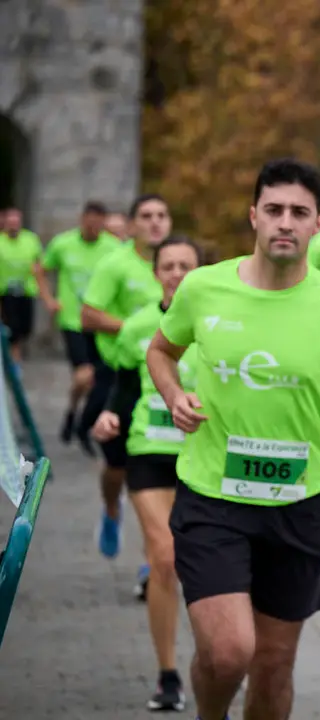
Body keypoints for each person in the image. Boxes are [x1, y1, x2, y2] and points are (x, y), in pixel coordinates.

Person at [145, 158, 320, 720]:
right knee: (229, 651)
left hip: (299, 505)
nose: (286, 222)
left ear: (318, 225)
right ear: (253, 216)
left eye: (299, 212)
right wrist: (173, 394)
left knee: (274, 665)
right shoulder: (203, 288)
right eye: (275, 209)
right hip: (214, 498)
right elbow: (160, 350)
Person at [90, 234, 204, 712]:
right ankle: (168, 674)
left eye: (186, 266)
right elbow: (123, 387)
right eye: (168, 266)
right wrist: (108, 415)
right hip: (149, 452)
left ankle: (213, 664)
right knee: (164, 558)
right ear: (155, 273)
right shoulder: (138, 326)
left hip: (205, 459)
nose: (177, 274)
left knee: (203, 568)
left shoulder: (218, 326)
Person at [82, 194, 172, 568]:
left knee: (158, 471)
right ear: (132, 224)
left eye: (162, 215)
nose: (155, 222)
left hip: (168, 378)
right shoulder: (115, 265)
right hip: (123, 372)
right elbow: (88, 316)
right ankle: (110, 508)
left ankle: (153, 560)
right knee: (117, 466)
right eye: (146, 216)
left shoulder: (178, 264)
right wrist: (140, 330)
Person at [35, 201, 122, 454]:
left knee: (99, 379)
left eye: (98, 224)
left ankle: (82, 418)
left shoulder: (113, 247)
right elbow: (40, 269)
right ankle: (73, 412)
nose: (93, 227)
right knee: (84, 375)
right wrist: (49, 300)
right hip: (73, 320)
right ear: (82, 220)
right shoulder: (63, 244)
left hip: (100, 322)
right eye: (89, 222)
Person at [0, 207, 43, 362]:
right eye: (10, 222)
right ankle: (13, 361)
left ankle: (13, 358)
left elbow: (38, 266)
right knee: (12, 330)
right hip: (5, 293)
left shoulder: (31, 240)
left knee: (25, 329)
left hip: (26, 291)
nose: (13, 226)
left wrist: (44, 293)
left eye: (16, 222)